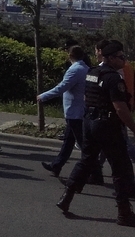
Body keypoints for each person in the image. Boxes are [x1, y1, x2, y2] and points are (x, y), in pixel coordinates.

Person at [57, 41, 135, 226]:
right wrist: (133, 127)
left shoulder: (92, 73)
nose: (123, 60)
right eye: (120, 57)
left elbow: (87, 97)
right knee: (120, 168)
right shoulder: (113, 79)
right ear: (110, 58)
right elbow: (120, 108)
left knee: (86, 161)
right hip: (108, 125)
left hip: (90, 122)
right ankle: (124, 213)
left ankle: (66, 197)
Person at [37, 45, 89, 177]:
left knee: (83, 144)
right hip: (77, 111)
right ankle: (56, 165)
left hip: (74, 111)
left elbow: (62, 87)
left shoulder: (75, 70)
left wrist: (44, 96)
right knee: (68, 141)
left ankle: (94, 171)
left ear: (70, 55)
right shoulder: (85, 68)